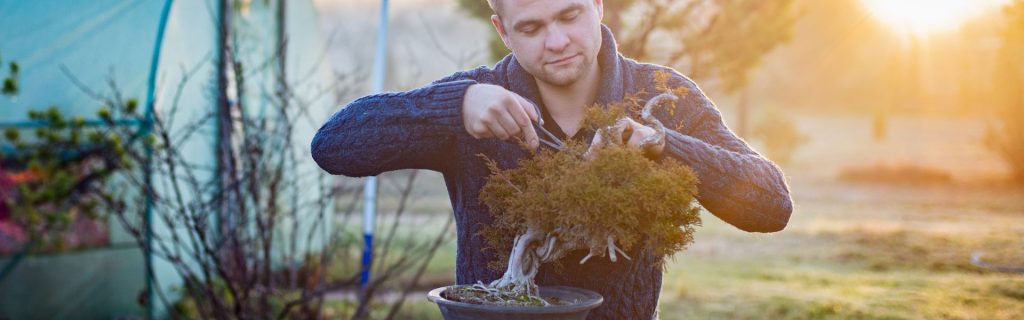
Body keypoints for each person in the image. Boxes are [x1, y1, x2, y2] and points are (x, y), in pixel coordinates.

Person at [311, 0, 793, 318]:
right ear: (502, 30)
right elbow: (333, 145)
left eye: (570, 15)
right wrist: (454, 106)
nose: (558, 41)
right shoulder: (473, 102)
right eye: (533, 27)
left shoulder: (663, 97)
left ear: (598, 4)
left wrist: (664, 144)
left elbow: (771, 206)